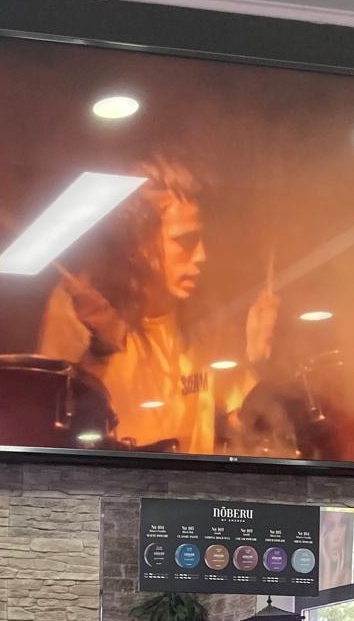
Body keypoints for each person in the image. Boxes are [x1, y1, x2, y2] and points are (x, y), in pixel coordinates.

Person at [38, 156, 278, 453]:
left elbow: (237, 424)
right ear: (137, 244)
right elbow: (51, 428)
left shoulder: (205, 315)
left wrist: (256, 359)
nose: (202, 255)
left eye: (201, 239)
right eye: (185, 241)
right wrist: (100, 349)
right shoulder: (80, 306)